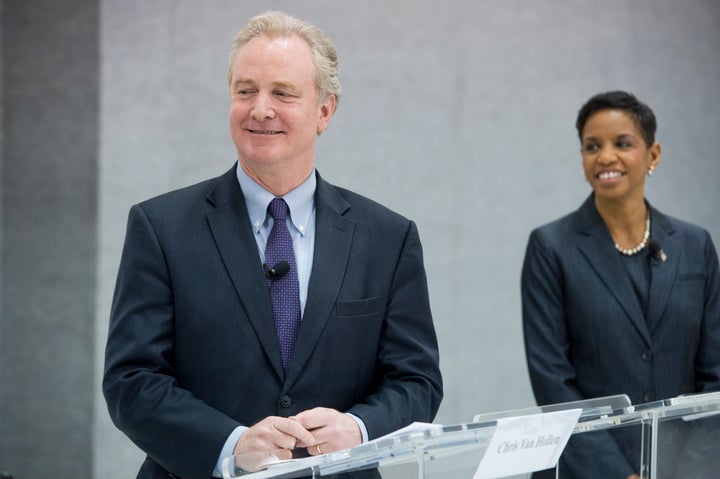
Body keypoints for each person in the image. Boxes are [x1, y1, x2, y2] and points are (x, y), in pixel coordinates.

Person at [103, 11, 442, 479]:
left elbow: (417, 381)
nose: (260, 108)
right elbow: (131, 381)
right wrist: (232, 445)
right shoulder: (160, 227)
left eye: (282, 93)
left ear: (325, 111)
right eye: (246, 91)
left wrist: (359, 429)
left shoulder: (387, 237)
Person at [521, 90, 720, 479]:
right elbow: (552, 382)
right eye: (592, 146)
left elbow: (715, 376)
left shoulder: (695, 245)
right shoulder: (551, 246)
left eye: (622, 143)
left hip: (683, 467)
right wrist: (618, 474)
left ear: (654, 155)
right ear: (582, 160)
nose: (606, 157)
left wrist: (689, 469)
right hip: (584, 469)